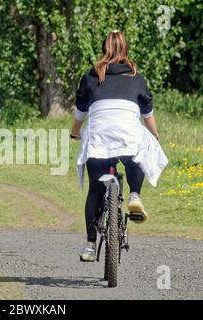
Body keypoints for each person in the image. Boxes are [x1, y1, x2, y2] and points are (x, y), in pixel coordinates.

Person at [70, 31, 168, 262]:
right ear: (127, 50)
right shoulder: (137, 78)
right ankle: (134, 195)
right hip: (127, 134)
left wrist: (74, 133)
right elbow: (147, 114)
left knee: (95, 188)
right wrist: (155, 135)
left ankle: (90, 245)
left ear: (104, 48)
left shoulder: (92, 76)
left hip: (99, 136)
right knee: (139, 147)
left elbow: (81, 112)